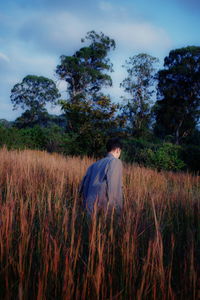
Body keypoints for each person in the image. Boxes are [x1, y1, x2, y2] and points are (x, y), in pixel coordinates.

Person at [79, 138, 123, 215]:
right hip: (103, 207)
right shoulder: (115, 162)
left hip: (89, 206)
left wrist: (85, 205)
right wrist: (116, 209)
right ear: (117, 150)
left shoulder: (95, 164)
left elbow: (84, 185)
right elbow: (113, 187)